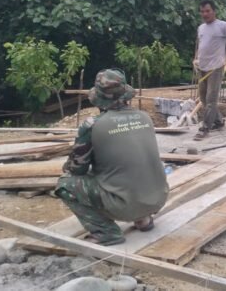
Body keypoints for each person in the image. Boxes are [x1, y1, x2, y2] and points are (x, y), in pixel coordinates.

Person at [55, 69, 168, 246]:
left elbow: (77, 169)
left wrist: (70, 167)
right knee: (130, 169)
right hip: (158, 199)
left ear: (98, 99)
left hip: (123, 205)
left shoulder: (92, 125)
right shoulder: (145, 117)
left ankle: (106, 232)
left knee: (65, 184)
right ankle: (144, 219)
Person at [193, 0, 226, 140]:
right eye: (202, 11)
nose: (205, 14)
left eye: (208, 11)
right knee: (203, 98)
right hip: (202, 68)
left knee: (211, 99)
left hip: (215, 68)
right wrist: (196, 58)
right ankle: (219, 121)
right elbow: (201, 45)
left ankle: (205, 128)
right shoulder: (201, 28)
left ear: (214, 11)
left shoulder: (222, 26)